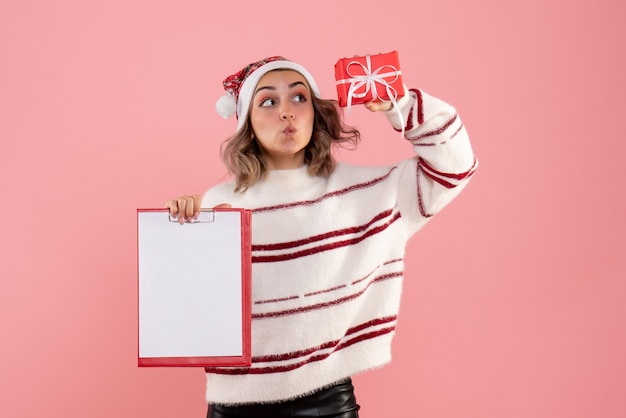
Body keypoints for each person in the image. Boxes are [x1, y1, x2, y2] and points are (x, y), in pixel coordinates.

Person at [165, 55, 477, 418]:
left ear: (316, 112)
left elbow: (455, 167)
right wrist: (179, 231)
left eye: (299, 98)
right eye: (268, 101)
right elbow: (194, 306)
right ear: (245, 122)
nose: (287, 112)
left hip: (323, 403)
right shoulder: (219, 204)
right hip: (233, 404)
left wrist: (401, 105)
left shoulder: (368, 192)